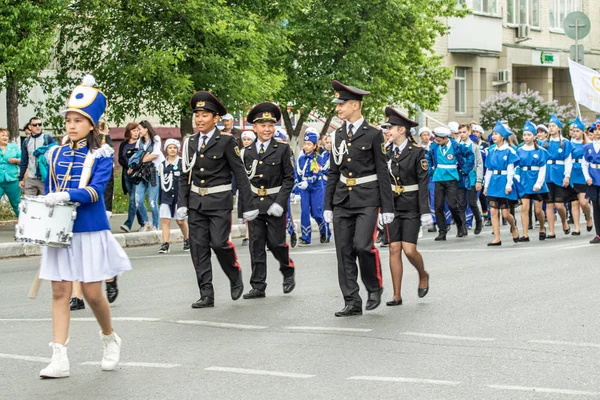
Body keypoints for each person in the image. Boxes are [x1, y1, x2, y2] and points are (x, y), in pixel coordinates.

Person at [38, 75, 131, 378]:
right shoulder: (54, 154)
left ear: (92, 124)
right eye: (69, 119)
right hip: (61, 232)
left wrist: (65, 195)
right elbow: (50, 190)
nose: (72, 125)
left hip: (90, 229)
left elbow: (95, 191)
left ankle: (109, 337)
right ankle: (59, 356)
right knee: (59, 292)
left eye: (79, 120)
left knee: (92, 294)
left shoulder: (102, 154)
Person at [178, 91, 258, 308]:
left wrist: (248, 205)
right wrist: (182, 203)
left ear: (215, 119)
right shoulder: (190, 143)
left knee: (218, 243)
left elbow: (240, 174)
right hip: (196, 203)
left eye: (205, 115)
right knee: (198, 247)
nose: (199, 119)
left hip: (219, 203)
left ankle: (234, 274)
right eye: (197, 115)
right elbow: (184, 175)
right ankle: (206, 294)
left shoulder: (226, 141)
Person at [324, 80, 393, 317]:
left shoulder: (374, 134)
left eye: (341, 104)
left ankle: (374, 287)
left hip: (367, 198)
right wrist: (327, 205)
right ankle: (352, 300)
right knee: (343, 251)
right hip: (342, 199)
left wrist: (387, 206)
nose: (338, 109)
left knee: (363, 246)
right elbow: (334, 171)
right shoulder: (337, 135)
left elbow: (383, 171)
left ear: (355, 105)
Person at [239, 102, 295, 299]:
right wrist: (244, 209)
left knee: (276, 243)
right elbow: (243, 181)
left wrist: (280, 203)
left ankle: (288, 270)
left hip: (274, 202)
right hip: (255, 204)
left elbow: (289, 178)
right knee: (256, 244)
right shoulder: (246, 152)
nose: (267, 129)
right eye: (263, 125)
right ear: (254, 128)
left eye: (271, 125)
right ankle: (258, 285)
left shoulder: (282, 149)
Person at [379, 107, 431, 306]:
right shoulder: (386, 152)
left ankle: (423, 274)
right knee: (393, 248)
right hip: (393, 205)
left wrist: (425, 210)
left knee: (409, 250)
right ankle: (396, 294)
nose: (387, 131)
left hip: (411, 205)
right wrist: (383, 208)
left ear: (402, 130)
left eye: (390, 128)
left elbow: (423, 182)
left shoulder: (418, 152)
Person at [426, 126, 474, 241]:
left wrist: (464, 170)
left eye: (439, 140)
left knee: (452, 205)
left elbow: (470, 156)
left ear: (445, 138)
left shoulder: (457, 146)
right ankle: (442, 231)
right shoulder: (434, 147)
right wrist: (431, 170)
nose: (436, 142)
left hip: (452, 178)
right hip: (438, 178)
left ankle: (459, 224)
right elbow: (427, 158)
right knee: (438, 206)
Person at [484, 121, 520, 246]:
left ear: (503, 137)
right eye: (493, 134)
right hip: (494, 181)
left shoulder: (509, 151)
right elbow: (489, 170)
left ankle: (513, 226)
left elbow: (511, 169)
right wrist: (486, 185)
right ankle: (497, 237)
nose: (494, 136)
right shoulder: (491, 151)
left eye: (497, 134)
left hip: (504, 181)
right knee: (493, 211)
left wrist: (509, 184)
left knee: (505, 214)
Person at [516, 121, 549, 241]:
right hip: (524, 181)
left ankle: (541, 227)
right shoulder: (519, 150)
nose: (526, 137)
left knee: (538, 210)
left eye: (529, 135)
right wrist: (517, 178)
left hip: (536, 181)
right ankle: (525, 234)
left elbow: (543, 168)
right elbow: (517, 167)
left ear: (534, 136)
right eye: (525, 135)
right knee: (524, 208)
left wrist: (539, 183)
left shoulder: (540, 150)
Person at [542, 114, 574, 238]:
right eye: (549, 126)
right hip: (548, 174)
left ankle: (564, 220)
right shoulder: (545, 143)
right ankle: (551, 230)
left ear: (559, 128)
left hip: (559, 173)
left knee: (559, 204)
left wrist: (567, 176)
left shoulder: (565, 142)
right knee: (549, 204)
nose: (551, 128)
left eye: (553, 126)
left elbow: (568, 160)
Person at [295, 130, 327, 246]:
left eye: (309, 144)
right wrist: (295, 189)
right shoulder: (301, 159)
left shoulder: (318, 158)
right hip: (304, 189)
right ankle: (305, 237)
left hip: (316, 187)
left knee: (317, 213)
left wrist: (308, 182)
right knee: (304, 212)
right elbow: (297, 174)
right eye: (305, 143)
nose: (306, 146)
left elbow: (317, 174)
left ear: (315, 146)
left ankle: (323, 230)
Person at [158, 138, 189, 253]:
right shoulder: (162, 165)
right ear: (166, 149)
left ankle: (187, 239)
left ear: (178, 150)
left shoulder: (182, 163)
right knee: (165, 220)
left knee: (180, 221)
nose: (172, 150)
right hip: (166, 196)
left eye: (174, 148)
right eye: (170, 147)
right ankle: (165, 243)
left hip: (179, 196)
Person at [133, 120, 164, 231]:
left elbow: (155, 155)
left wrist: (141, 159)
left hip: (153, 172)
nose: (138, 131)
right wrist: (141, 159)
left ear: (146, 129)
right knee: (138, 200)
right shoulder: (139, 142)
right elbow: (135, 156)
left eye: (139, 129)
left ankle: (155, 225)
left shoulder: (156, 139)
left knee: (152, 201)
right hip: (142, 173)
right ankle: (147, 222)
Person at [19, 117, 56, 195]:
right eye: (35, 125)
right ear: (30, 127)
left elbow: (55, 154)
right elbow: (24, 161)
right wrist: (21, 178)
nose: (38, 127)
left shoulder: (47, 138)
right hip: (30, 178)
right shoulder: (26, 141)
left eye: (40, 124)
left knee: (45, 204)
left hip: (44, 178)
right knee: (29, 204)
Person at [457, 123, 484, 234]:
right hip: (460, 178)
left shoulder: (474, 146)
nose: (462, 134)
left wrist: (479, 180)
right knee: (461, 203)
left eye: (464, 132)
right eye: (460, 132)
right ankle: (463, 227)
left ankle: (478, 220)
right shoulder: (457, 146)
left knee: (472, 202)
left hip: (471, 177)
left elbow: (479, 164)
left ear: (469, 132)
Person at [118, 123, 145, 232]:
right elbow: (120, 158)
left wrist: (133, 167)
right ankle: (144, 223)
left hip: (138, 174)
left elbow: (142, 157)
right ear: (128, 132)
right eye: (133, 131)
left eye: (137, 131)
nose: (136, 133)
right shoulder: (123, 144)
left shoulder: (141, 144)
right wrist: (127, 166)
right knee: (134, 199)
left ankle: (128, 224)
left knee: (134, 198)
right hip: (127, 174)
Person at [569, 117, 593, 235]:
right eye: (573, 131)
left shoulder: (587, 144)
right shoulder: (569, 144)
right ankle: (577, 227)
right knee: (575, 203)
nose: (575, 133)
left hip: (582, 174)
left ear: (582, 132)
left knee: (584, 202)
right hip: (572, 172)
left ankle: (588, 217)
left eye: (577, 131)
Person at [582, 120, 600, 243]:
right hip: (593, 177)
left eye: (599, 131)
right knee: (595, 206)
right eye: (595, 131)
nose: (597, 133)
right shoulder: (587, 147)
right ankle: (598, 233)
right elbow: (585, 164)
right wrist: (587, 177)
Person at [240, 130, 256, 246]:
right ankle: (247, 233)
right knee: (246, 209)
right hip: (245, 184)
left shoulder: (257, 152)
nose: (246, 142)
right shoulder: (240, 153)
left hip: (255, 185)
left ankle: (252, 233)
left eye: (248, 139)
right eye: (244, 140)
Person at [0, 128, 21, 216]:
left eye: (6, 136)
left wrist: (16, 160)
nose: (5, 137)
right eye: (3, 135)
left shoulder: (14, 147)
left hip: (12, 180)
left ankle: (23, 222)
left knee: (16, 203)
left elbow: (23, 161)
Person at [98, 121, 114, 218]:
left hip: (104, 169)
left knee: (106, 190)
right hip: (104, 169)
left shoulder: (104, 139)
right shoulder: (103, 138)